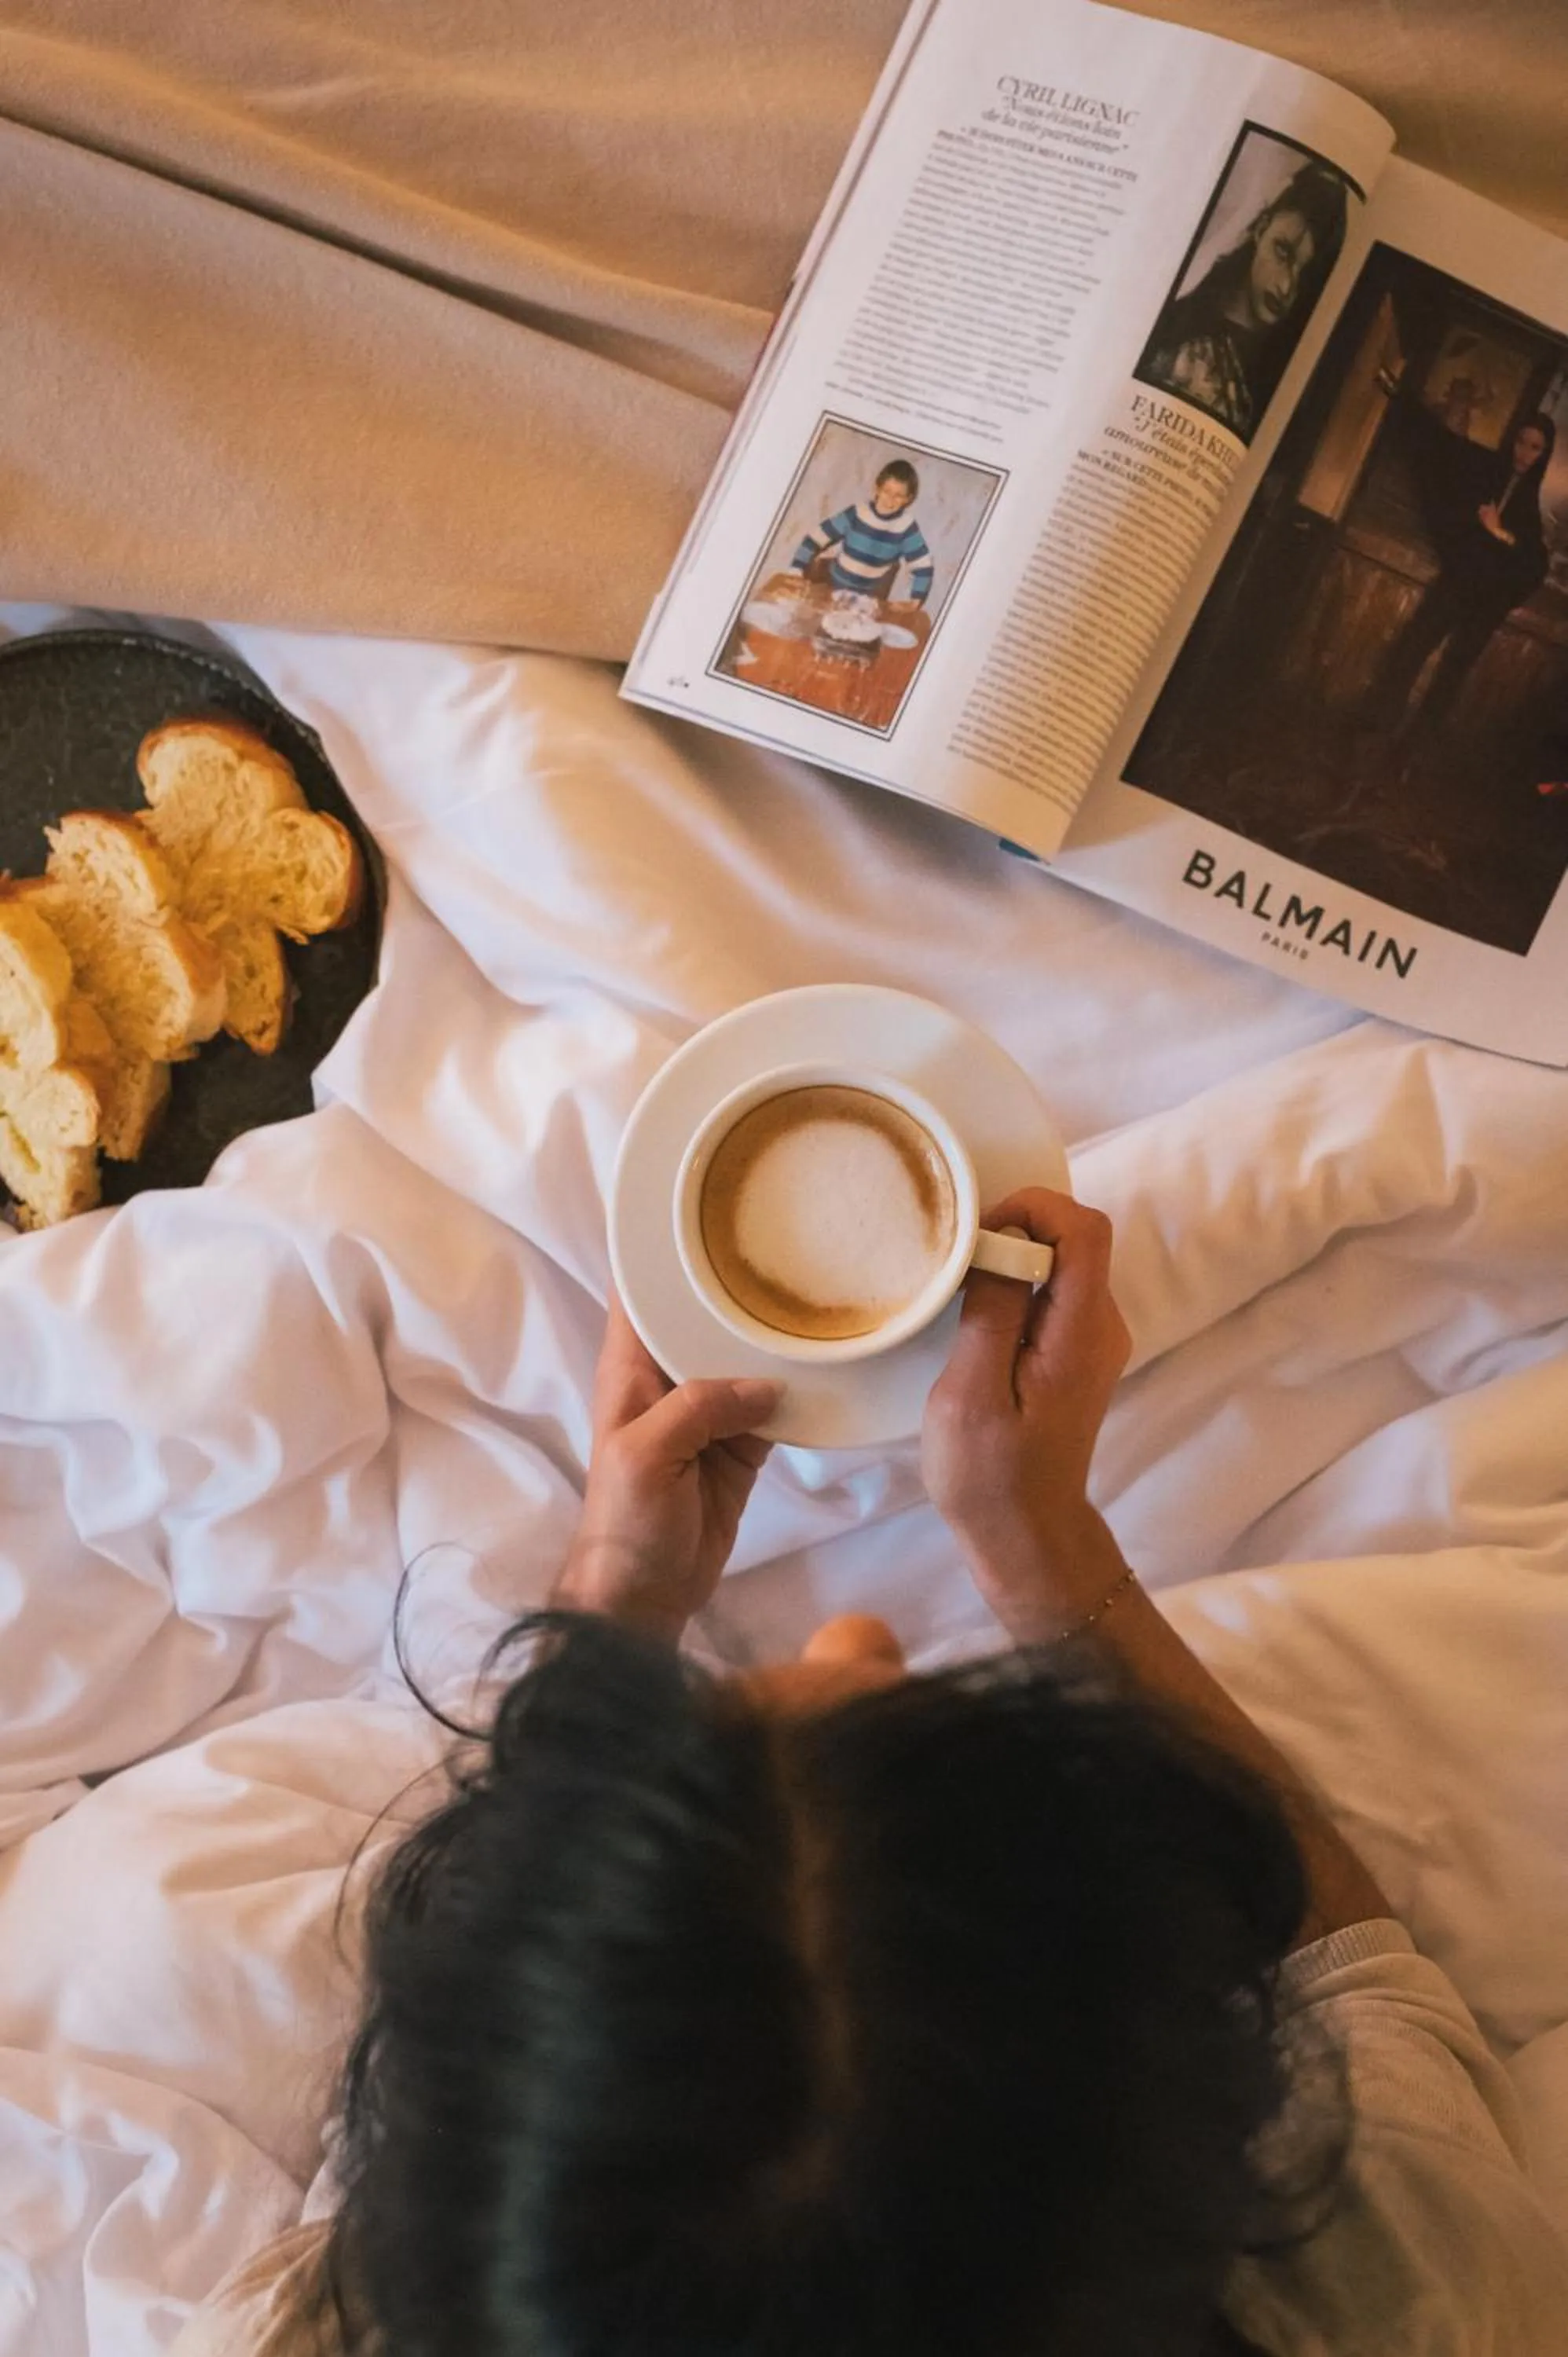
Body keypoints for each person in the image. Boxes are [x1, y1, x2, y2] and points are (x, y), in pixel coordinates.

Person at [173, 1191, 1568, 2356]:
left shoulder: (302, 2332)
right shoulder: (1420, 2289)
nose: (856, 1630)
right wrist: (1044, 1546)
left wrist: (608, 1618)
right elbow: (1360, 1986)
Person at [1365, 401, 1556, 734]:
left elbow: (1533, 562)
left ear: (1545, 454)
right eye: (1521, 442)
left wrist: (1499, 533)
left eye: (1535, 447)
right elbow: (1443, 452)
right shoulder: (1484, 472)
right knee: (1410, 653)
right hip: (1456, 585)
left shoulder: (1529, 508)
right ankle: (1374, 729)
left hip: (1485, 605)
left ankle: (1410, 754)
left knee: (1450, 678)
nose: (1524, 453)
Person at [1139, 163, 1350, 443]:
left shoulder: (1286, 378)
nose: (1286, 286)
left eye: (1306, 274)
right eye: (1283, 252)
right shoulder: (1179, 310)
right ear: (1261, 228)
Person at [789, 458, 934, 606]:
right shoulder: (857, 513)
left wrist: (915, 601)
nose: (890, 500)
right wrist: (796, 570)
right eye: (887, 491)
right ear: (877, 488)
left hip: (866, 599)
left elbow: (923, 567)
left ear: (908, 499)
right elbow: (814, 538)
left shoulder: (906, 526)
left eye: (898, 496)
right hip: (831, 586)